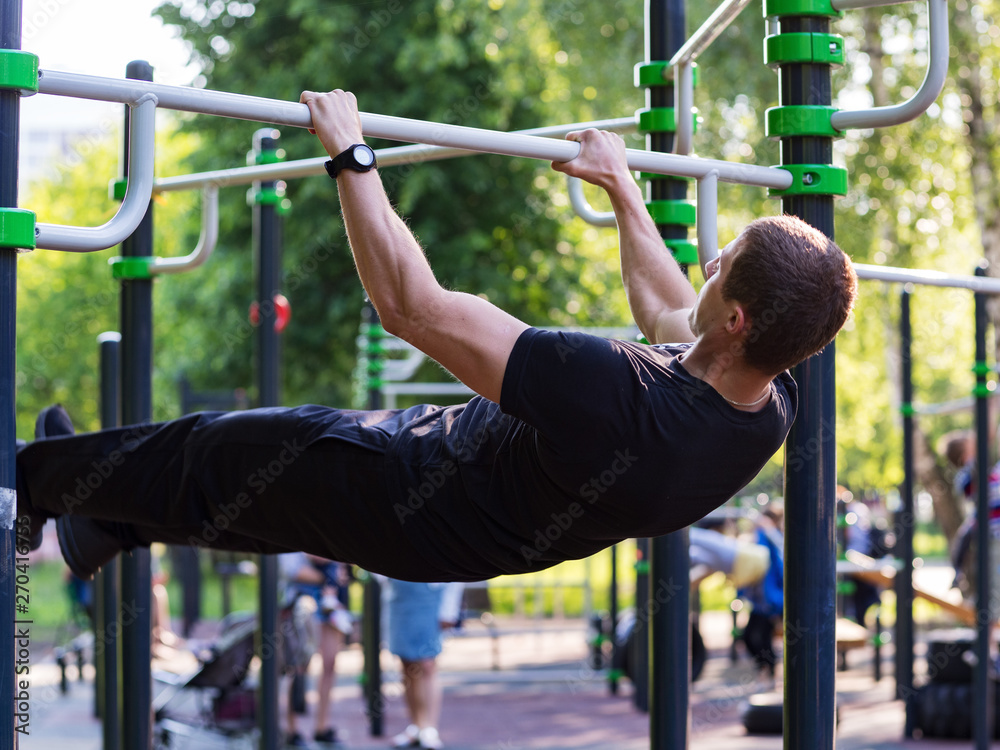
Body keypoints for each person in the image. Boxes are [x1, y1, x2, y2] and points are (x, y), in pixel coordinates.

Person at [15, 89, 857, 586]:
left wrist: (350, 154)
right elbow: (670, 316)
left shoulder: (610, 394)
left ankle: (25, 481)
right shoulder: (766, 402)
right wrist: (624, 193)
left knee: (217, 453)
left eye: (722, 265)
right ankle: (100, 522)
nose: (706, 261)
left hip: (409, 488)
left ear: (738, 319)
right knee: (254, 509)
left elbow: (410, 307)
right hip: (454, 525)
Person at [279, 553, 352, 747]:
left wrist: (338, 572)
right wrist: (329, 576)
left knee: (330, 663)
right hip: (303, 601)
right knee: (299, 666)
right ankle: (292, 729)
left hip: (331, 602)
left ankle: (322, 726)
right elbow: (294, 570)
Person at [383, 579, 464, 749]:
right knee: (406, 666)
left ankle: (430, 728)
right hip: (400, 602)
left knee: (427, 664)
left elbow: (453, 579)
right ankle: (416, 726)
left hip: (429, 602)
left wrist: (449, 611)